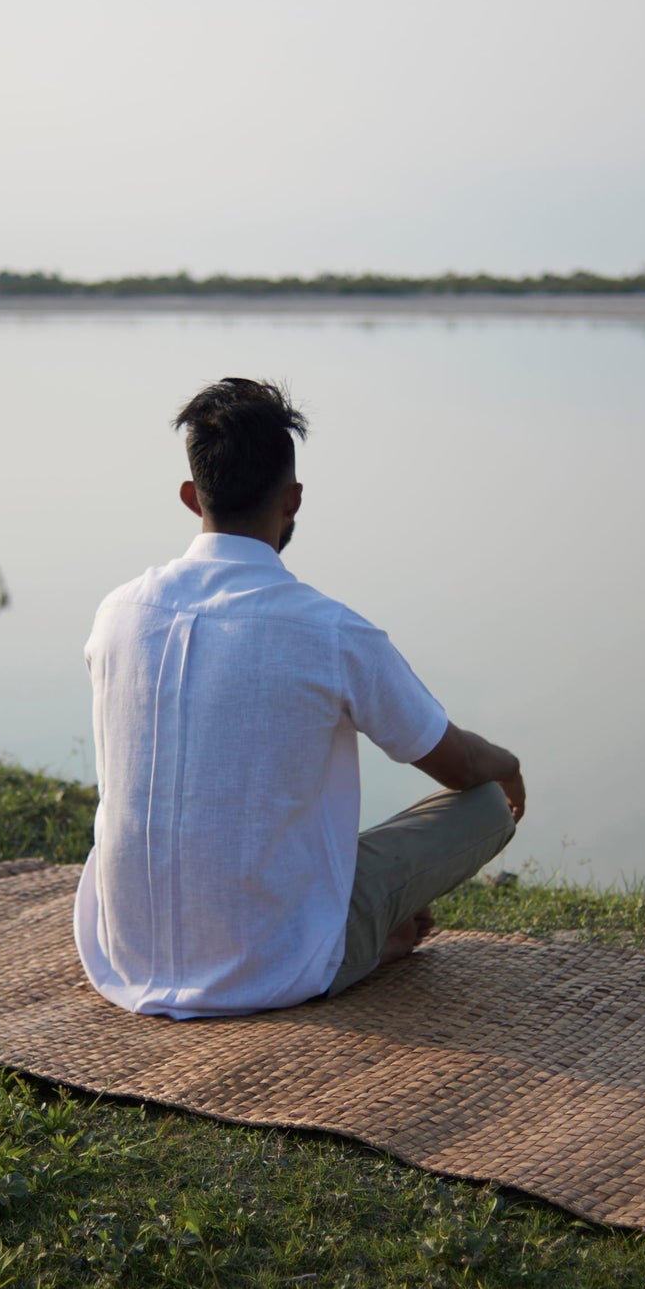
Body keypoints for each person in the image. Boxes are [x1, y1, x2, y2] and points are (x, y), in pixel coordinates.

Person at [73, 377, 525, 1018]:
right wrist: (510, 769)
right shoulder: (329, 631)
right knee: (483, 806)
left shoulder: (117, 612)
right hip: (272, 964)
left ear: (189, 497)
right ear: (293, 500)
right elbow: (460, 767)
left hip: (125, 951)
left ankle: (364, 934)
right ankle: (359, 946)